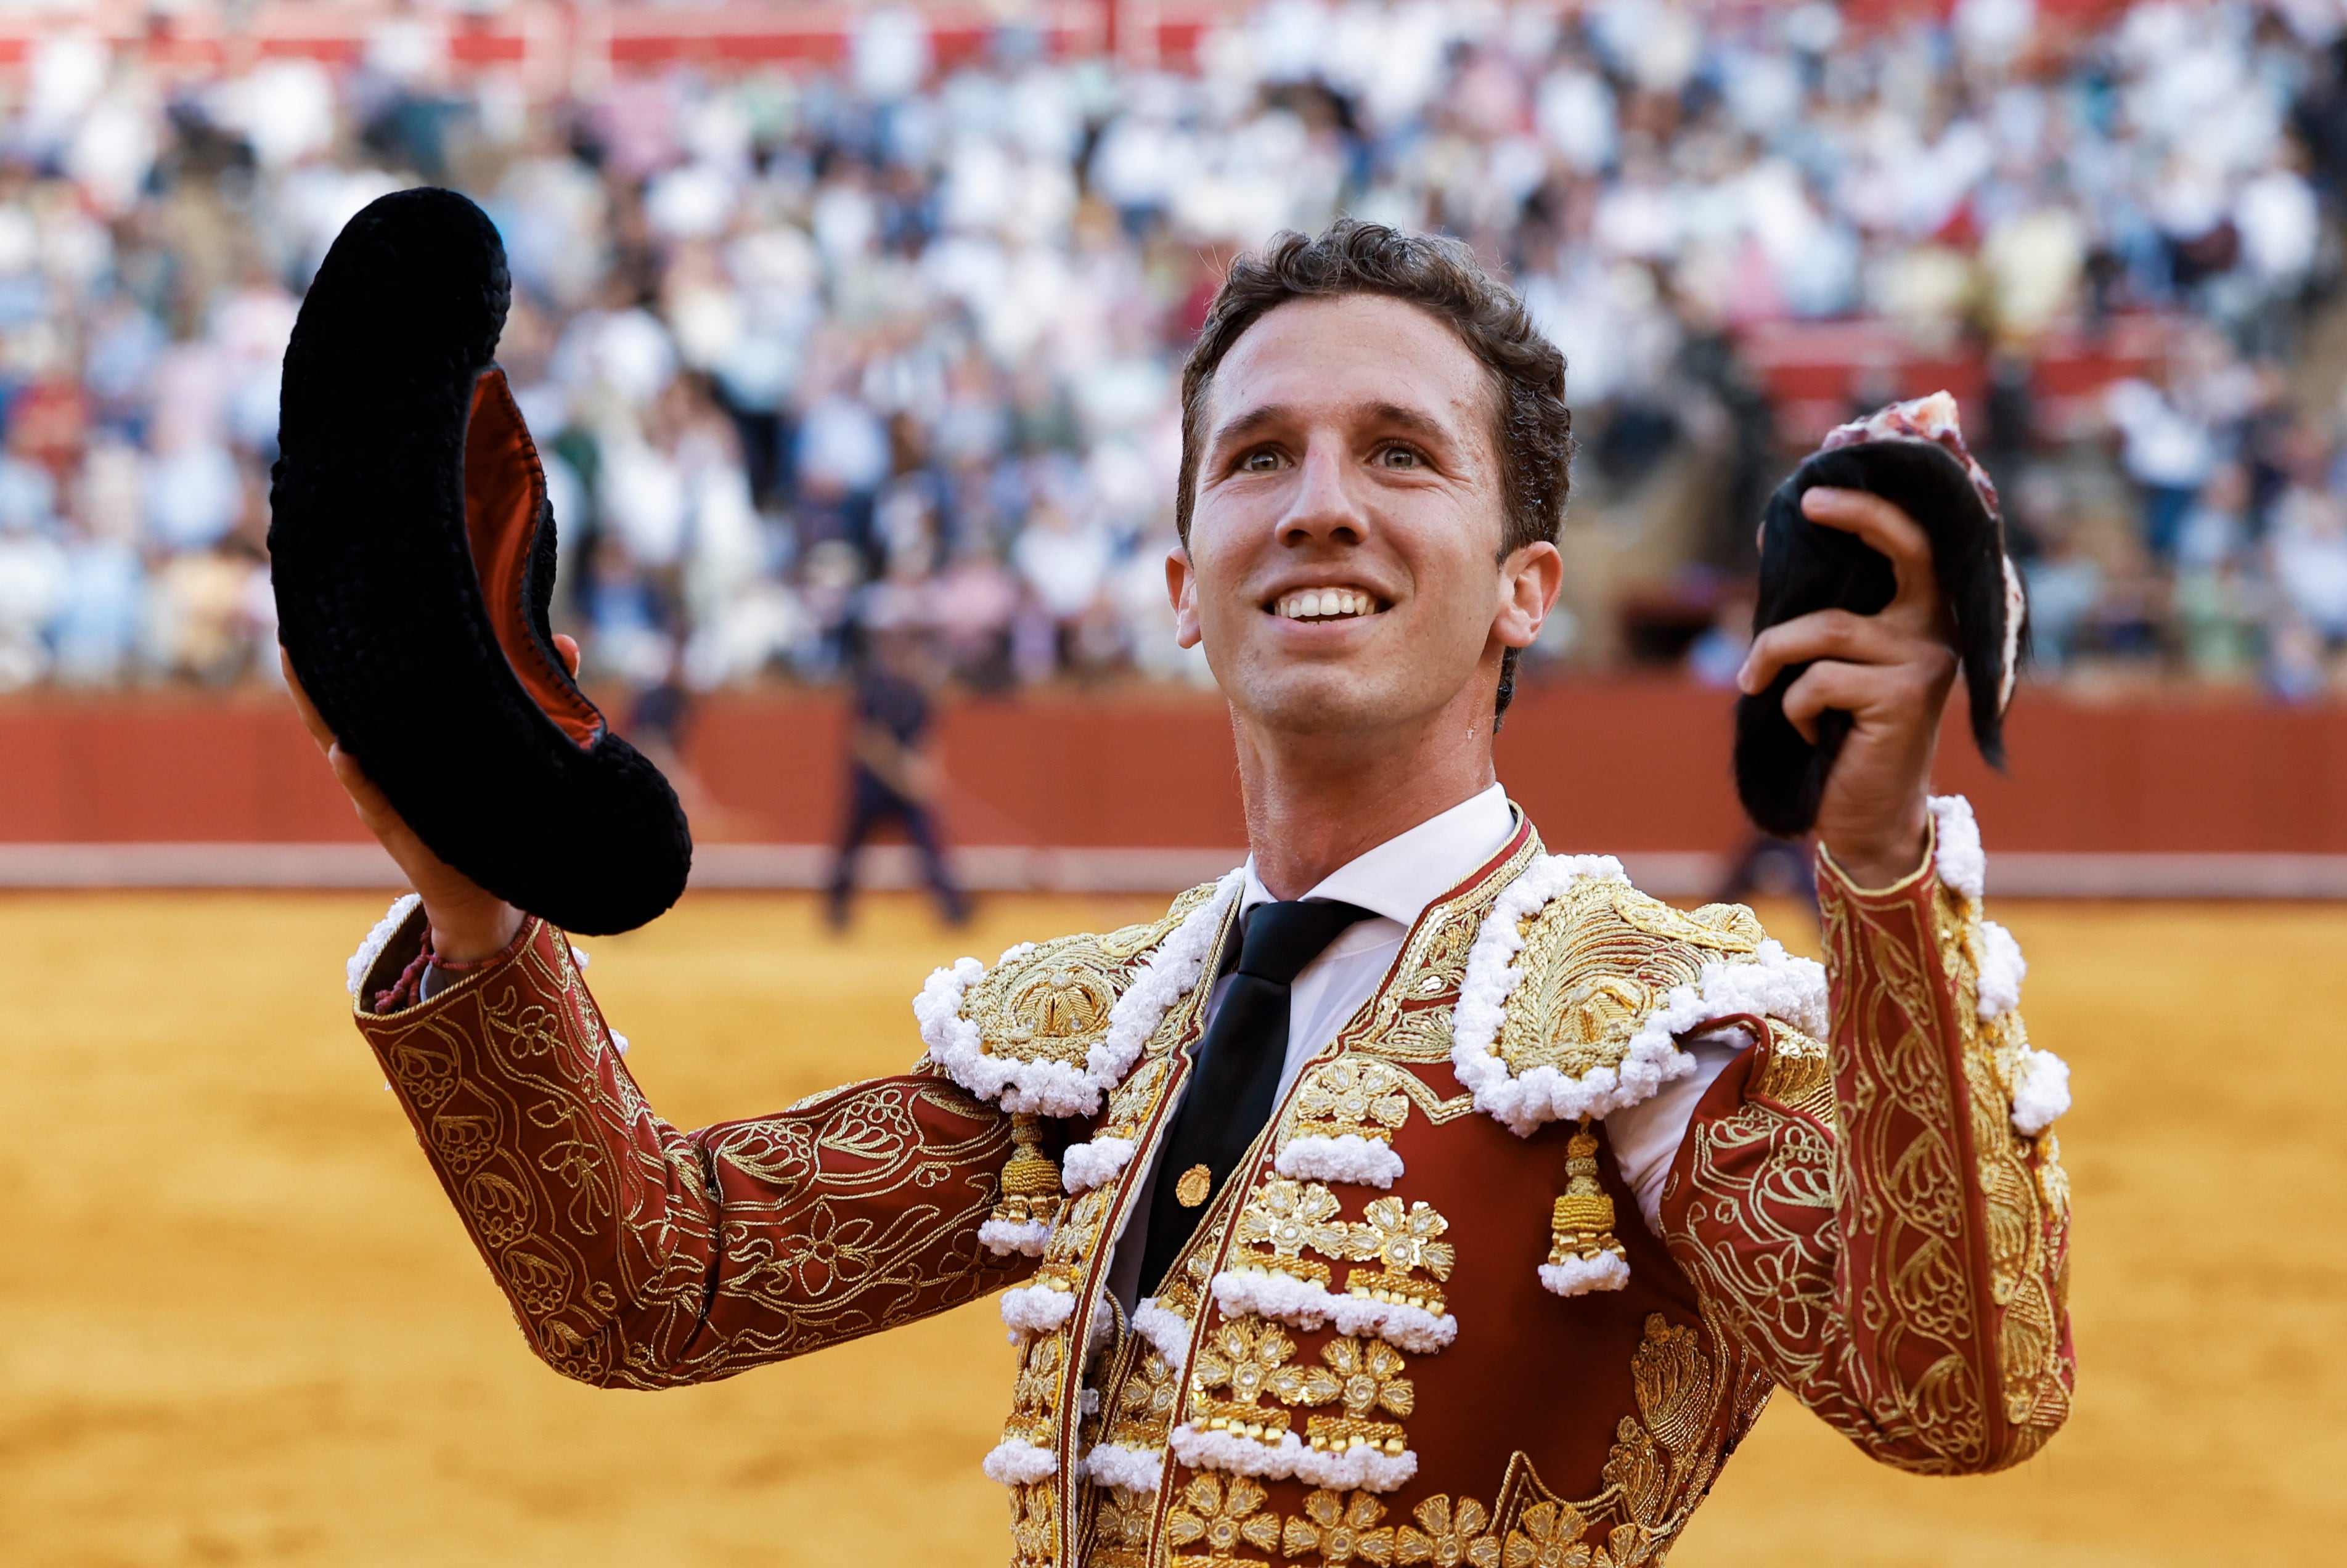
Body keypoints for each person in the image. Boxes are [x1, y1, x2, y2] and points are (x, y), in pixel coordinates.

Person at [301, 222, 2071, 1567]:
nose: (1318, 509)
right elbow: (654, 1285)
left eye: (1401, 454)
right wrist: (479, 909)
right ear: (1179, 580)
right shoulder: (1101, 1041)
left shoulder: (1633, 1034)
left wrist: (1878, 871)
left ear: (1528, 586)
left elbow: (1951, 1395)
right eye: (1256, 458)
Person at [825, 622, 971, 929]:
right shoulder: (873, 692)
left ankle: (953, 908)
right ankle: (836, 910)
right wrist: (901, 772)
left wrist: (927, 771)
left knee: (930, 848)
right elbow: (865, 741)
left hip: (905, 790)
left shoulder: (918, 696)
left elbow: (927, 741)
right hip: (872, 789)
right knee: (852, 850)